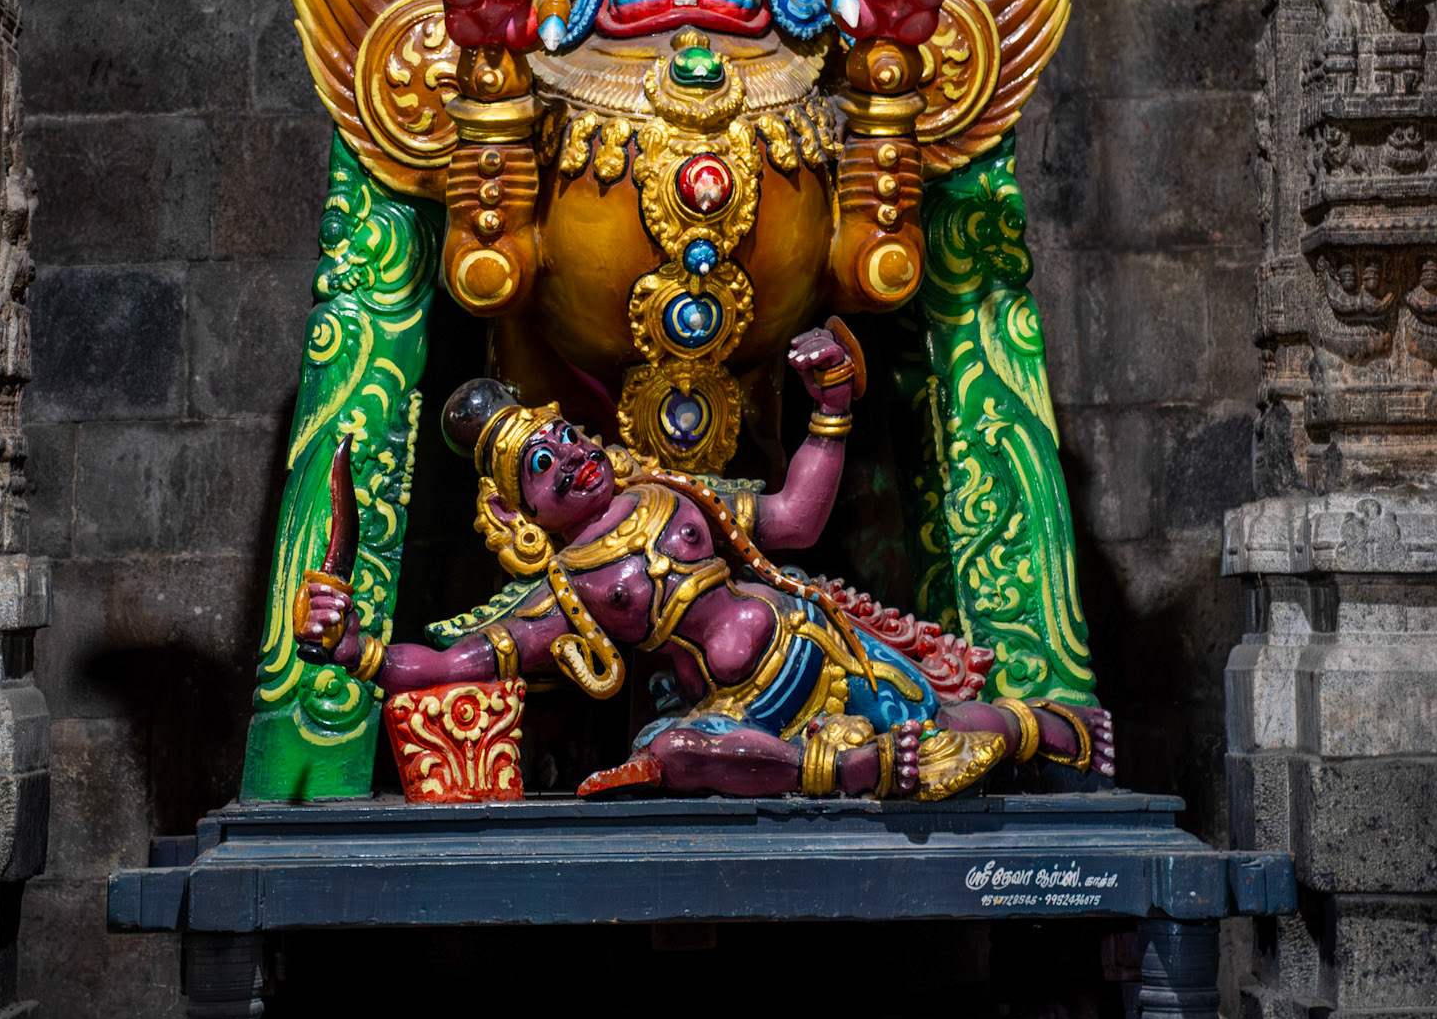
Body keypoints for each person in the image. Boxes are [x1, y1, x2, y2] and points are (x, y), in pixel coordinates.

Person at [295, 326, 1113, 799]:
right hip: (745, 709)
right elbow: (452, 663)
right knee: (676, 756)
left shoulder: (668, 492)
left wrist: (829, 415)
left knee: (935, 719)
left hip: (815, 646)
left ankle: (1043, 727)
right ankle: (850, 768)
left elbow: (792, 520)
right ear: (521, 513)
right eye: (541, 465)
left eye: (566, 439)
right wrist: (353, 651)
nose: (569, 457)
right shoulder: (565, 599)